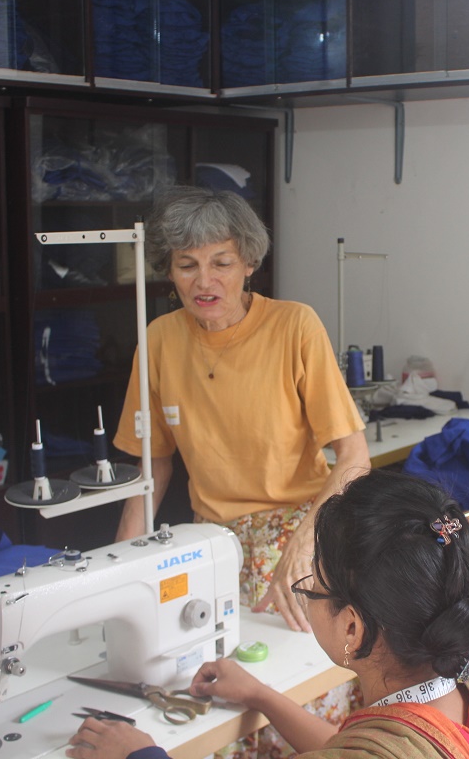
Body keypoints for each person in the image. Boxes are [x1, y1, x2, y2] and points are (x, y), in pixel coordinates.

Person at [65, 471, 469, 759]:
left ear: (352, 627)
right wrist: (262, 696)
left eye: (313, 582)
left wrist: (140, 752)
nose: (307, 591)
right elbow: (346, 748)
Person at [112, 185, 370, 635]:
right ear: (169, 272)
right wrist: (118, 569)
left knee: (299, 667)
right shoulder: (158, 341)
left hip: (300, 537)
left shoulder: (295, 326)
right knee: (206, 659)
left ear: (249, 263)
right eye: (187, 265)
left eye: (221, 263)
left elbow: (354, 456)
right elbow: (153, 466)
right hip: (211, 544)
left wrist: (303, 546)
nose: (203, 281)